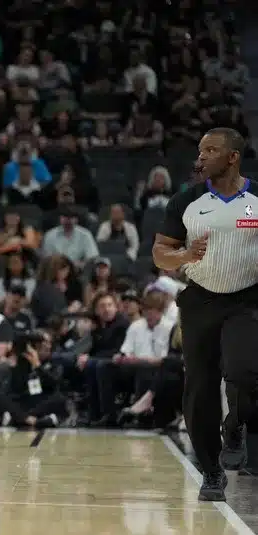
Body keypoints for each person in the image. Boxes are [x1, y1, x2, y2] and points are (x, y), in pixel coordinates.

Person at [153, 127, 258, 502]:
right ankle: (212, 472)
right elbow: (160, 253)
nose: (201, 157)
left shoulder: (256, 199)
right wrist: (183, 255)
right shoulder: (186, 201)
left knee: (246, 371)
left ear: (233, 157)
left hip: (248, 299)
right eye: (200, 151)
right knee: (199, 389)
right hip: (200, 299)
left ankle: (236, 425)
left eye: (211, 150)